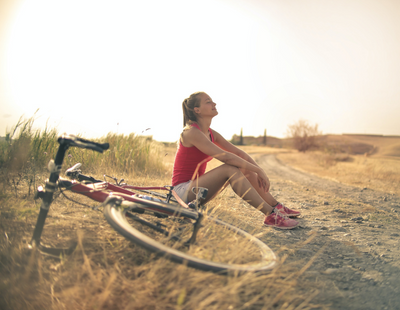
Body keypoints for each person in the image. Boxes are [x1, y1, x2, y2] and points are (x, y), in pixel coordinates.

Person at [171, 92, 300, 229]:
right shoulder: (191, 132)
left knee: (243, 167)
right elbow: (226, 156)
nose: (214, 104)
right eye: (208, 102)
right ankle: (270, 215)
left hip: (198, 192)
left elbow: (238, 152)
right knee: (230, 168)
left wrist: (258, 170)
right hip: (181, 193)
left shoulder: (210, 133)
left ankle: (276, 206)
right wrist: (258, 170)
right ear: (197, 110)